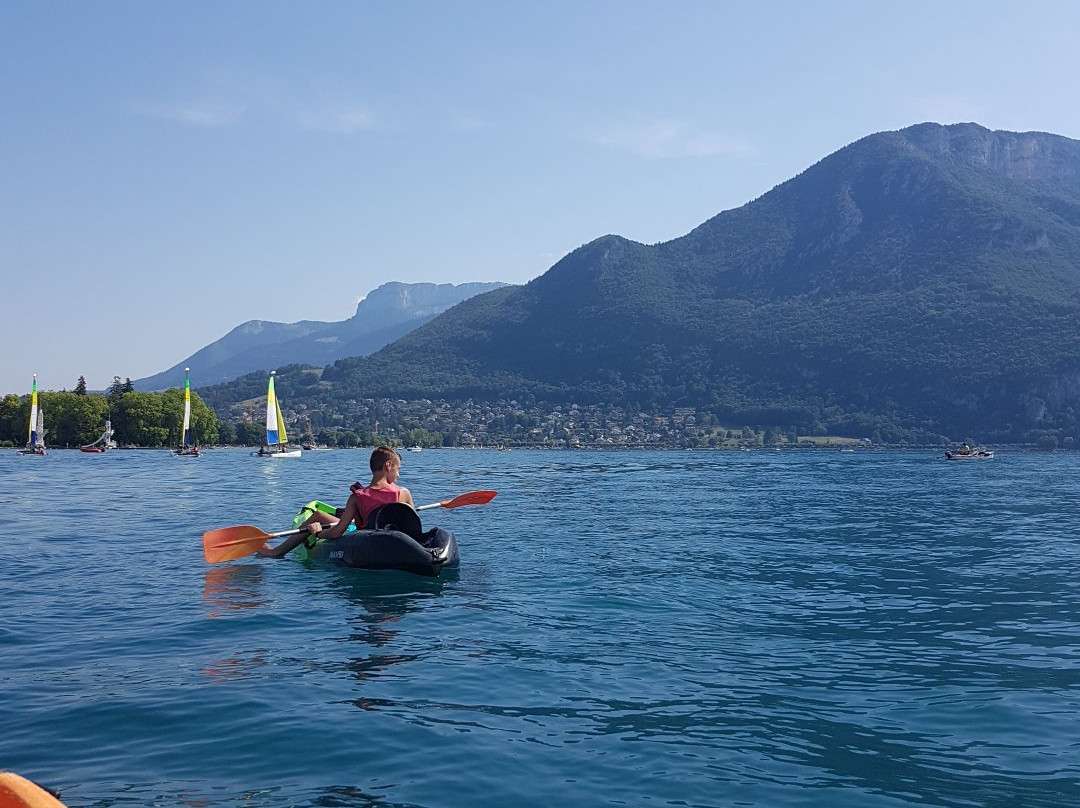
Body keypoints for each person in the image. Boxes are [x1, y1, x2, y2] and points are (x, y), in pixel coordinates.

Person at [258, 445, 415, 558]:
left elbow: (337, 532)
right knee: (323, 514)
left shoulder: (357, 497)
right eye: (398, 469)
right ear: (388, 466)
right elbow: (413, 525)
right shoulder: (403, 493)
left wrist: (318, 533)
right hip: (393, 541)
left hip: (366, 539)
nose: (399, 475)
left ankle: (276, 552)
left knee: (318, 514)